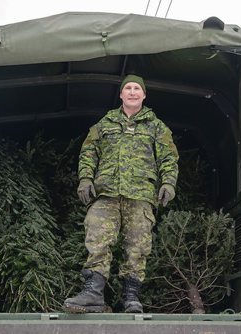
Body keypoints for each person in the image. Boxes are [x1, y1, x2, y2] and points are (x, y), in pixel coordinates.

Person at [63, 74, 179, 313]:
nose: (133, 92)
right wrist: (85, 178)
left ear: (144, 95)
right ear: (121, 94)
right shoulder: (104, 124)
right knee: (97, 240)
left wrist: (168, 183)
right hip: (106, 193)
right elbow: (88, 153)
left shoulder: (156, 127)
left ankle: (131, 298)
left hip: (140, 195)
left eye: (137, 88)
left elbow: (168, 158)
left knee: (137, 245)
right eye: (128, 88)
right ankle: (93, 294)